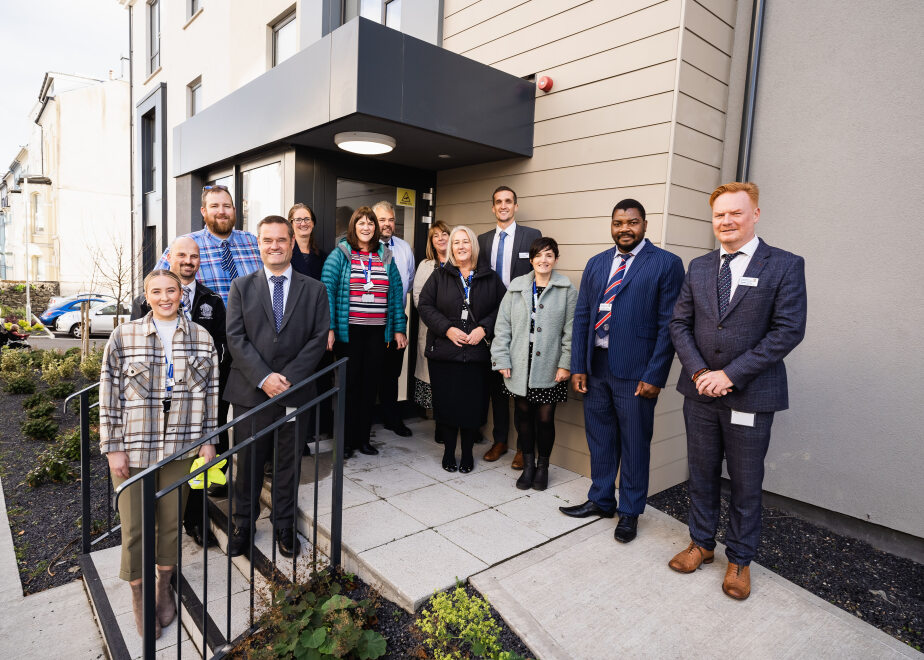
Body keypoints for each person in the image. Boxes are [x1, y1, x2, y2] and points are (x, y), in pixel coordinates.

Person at [667, 182, 807, 600]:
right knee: (702, 474)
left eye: (735, 213)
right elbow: (679, 324)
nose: (726, 222)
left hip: (750, 394)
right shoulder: (700, 266)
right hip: (700, 394)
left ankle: (740, 560)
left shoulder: (784, 265)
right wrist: (698, 373)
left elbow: (788, 331)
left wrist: (728, 375)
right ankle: (702, 544)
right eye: (719, 215)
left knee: (746, 482)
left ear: (756, 215)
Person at [100, 269, 218, 638]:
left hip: (181, 447)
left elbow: (212, 392)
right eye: (157, 292)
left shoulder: (201, 337)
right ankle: (139, 594)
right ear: (146, 296)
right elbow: (108, 395)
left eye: (172, 290)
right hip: (134, 448)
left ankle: (163, 585)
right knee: (135, 528)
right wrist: (112, 447)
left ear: (183, 294)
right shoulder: (124, 336)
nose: (166, 297)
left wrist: (209, 439)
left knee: (170, 523)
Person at [559, 199, 684, 546]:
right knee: (600, 438)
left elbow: (669, 325)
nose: (624, 229)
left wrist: (655, 375)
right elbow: (583, 316)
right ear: (611, 225)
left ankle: (629, 511)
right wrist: (579, 366)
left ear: (644, 224)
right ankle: (601, 499)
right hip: (596, 367)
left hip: (636, 373)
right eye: (618, 223)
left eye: (631, 222)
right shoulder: (597, 263)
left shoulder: (666, 264)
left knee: (633, 444)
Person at [224, 216, 330, 559]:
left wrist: (287, 379)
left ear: (291, 242)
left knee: (288, 463)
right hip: (251, 393)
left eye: (281, 240)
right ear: (259, 244)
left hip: (294, 392)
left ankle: (285, 523)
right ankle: (243, 523)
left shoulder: (314, 289)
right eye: (267, 240)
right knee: (249, 463)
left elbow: (318, 338)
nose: (274, 246)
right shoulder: (241, 287)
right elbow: (235, 338)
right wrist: (264, 377)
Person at [131, 236, 226, 547]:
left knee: (199, 461)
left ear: (200, 261)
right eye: (182, 255)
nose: (188, 261)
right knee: (162, 463)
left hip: (198, 400)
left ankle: (196, 520)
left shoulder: (212, 300)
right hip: (159, 400)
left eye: (194, 256)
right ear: (170, 257)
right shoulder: (146, 300)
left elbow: (222, 349)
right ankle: (162, 522)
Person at [321, 207, 408, 458]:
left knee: (370, 387)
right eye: (362, 223)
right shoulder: (340, 254)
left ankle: (363, 439)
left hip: (377, 333)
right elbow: (327, 292)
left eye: (371, 223)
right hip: (349, 333)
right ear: (354, 226)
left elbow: (395, 294)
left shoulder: (386, 255)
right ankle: (345, 442)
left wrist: (399, 328)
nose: (367, 227)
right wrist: (330, 328)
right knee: (349, 387)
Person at [491, 237, 577, 490]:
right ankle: (527, 466)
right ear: (531, 260)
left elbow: (571, 331)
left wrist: (565, 364)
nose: (543, 260)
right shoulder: (517, 288)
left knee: (545, 418)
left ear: (556, 259)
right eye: (539, 255)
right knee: (523, 415)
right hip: (519, 362)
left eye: (549, 255)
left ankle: (543, 468)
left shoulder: (567, 290)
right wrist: (502, 359)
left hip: (550, 364)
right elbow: (502, 326)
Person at [419, 226, 506, 473]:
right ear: (450, 248)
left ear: (473, 246)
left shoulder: (489, 276)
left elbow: (503, 307)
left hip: (477, 356)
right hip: (445, 354)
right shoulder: (440, 275)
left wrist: (484, 329)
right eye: (456, 242)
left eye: (465, 242)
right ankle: (448, 452)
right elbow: (425, 305)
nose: (460, 246)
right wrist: (446, 329)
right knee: (446, 407)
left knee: (472, 407)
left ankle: (467, 453)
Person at [477, 186, 542, 468]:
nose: (503, 206)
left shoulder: (531, 236)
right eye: (498, 202)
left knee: (521, 386)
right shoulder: (482, 240)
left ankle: (522, 446)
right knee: (497, 387)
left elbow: (537, 276)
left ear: (515, 206)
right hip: (491, 321)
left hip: (521, 320)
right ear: (493, 208)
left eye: (508, 201)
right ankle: (500, 440)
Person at [156, 184, 261, 305]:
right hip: (204, 323)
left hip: (252, 322)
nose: (221, 211)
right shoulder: (184, 245)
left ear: (234, 210)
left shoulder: (252, 242)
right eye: (214, 206)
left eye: (226, 206)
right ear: (203, 211)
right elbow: (155, 287)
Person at [373, 201, 416, 437]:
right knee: (369, 372)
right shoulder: (362, 247)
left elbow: (407, 282)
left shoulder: (404, 248)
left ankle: (392, 419)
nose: (387, 224)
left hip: (397, 320)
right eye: (382, 219)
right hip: (371, 323)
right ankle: (364, 421)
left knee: (392, 373)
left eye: (390, 219)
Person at [411, 221, 450, 439]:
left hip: (455, 332)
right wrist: (438, 322)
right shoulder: (425, 265)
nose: (441, 238)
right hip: (432, 330)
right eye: (436, 235)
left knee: (452, 380)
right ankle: (439, 426)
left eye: (445, 234)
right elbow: (418, 297)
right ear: (431, 241)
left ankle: (453, 423)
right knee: (434, 379)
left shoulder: (458, 263)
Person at [288, 203, 328, 280]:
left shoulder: (323, 257)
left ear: (313, 223)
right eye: (298, 220)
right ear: (291, 224)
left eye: (307, 219)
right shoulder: (285, 254)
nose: (303, 223)